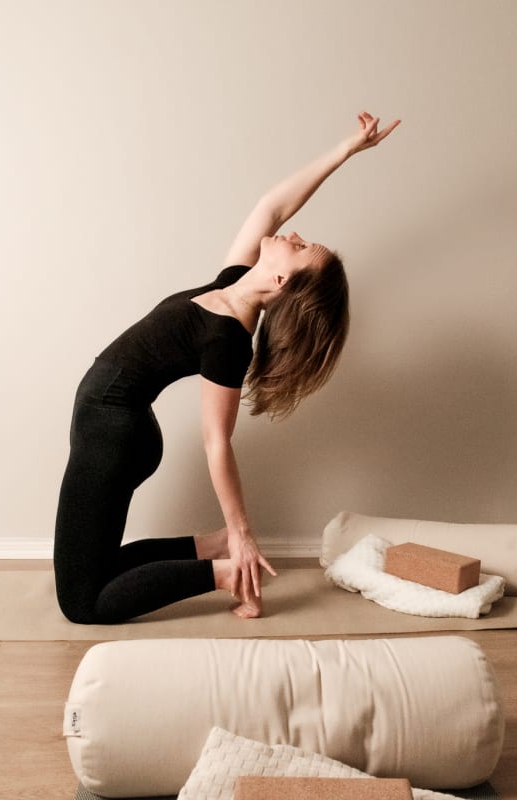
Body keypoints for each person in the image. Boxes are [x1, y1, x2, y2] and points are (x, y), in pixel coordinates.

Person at [54, 111, 400, 624]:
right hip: (112, 428)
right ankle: (213, 549)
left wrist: (243, 532)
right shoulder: (232, 283)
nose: (294, 233)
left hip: (112, 435)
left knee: (83, 603)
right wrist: (347, 150)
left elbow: (218, 440)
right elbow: (273, 205)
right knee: (99, 568)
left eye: (300, 247)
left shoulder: (228, 337)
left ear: (282, 280)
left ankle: (229, 570)